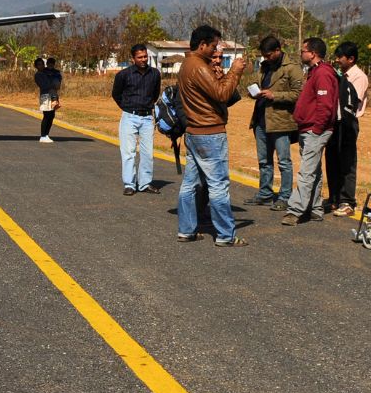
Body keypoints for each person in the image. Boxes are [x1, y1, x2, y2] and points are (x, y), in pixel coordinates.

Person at [175, 24, 248, 246]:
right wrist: (235, 71)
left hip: (194, 131)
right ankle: (225, 235)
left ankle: (186, 230)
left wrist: (222, 75)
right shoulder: (198, 66)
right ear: (202, 45)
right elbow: (222, 94)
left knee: (190, 184)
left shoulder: (188, 64)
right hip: (210, 133)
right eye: (213, 46)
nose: (215, 51)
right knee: (218, 185)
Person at [282, 37, 338, 226]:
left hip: (316, 129)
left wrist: (317, 129)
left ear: (313, 53)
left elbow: (325, 105)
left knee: (306, 171)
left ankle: (294, 210)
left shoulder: (322, 73)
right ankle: (315, 208)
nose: (301, 53)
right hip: (309, 128)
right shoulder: (314, 71)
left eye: (303, 50)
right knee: (314, 170)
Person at [245, 35, 302, 211]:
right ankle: (265, 194)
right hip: (260, 120)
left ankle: (285, 197)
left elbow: (298, 94)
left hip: (280, 122)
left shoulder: (292, 68)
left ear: (278, 50)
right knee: (264, 161)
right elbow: (255, 83)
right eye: (264, 55)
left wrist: (274, 95)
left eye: (269, 55)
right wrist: (253, 92)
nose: (266, 58)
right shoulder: (264, 66)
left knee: (284, 162)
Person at [111, 43, 161, 194]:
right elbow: (116, 94)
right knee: (128, 153)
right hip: (129, 117)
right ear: (133, 58)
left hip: (147, 118)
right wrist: (127, 107)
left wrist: (147, 105)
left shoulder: (155, 74)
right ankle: (129, 184)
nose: (143, 59)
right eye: (140, 57)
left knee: (147, 153)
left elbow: (155, 94)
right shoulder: (123, 75)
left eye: (145, 56)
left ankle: (145, 183)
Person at [324, 41, 367, 217]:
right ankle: (334, 198)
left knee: (347, 162)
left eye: (340, 57)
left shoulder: (359, 77)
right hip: (336, 122)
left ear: (351, 59)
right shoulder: (341, 74)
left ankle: (347, 201)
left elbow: (351, 103)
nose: (337, 60)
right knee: (332, 159)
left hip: (348, 123)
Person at [34, 57, 60, 143]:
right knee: (47, 115)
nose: (41, 66)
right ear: (36, 66)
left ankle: (46, 134)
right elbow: (43, 85)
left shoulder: (46, 72)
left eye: (42, 64)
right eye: (39, 64)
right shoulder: (38, 75)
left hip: (52, 94)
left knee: (52, 115)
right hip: (45, 95)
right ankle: (43, 135)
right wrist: (52, 86)